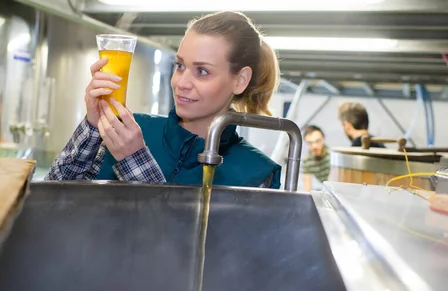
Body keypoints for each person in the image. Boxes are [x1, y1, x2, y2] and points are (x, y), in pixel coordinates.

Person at [45, 11, 282, 188]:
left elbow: (190, 248)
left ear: (240, 80)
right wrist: (92, 126)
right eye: (180, 66)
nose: (181, 83)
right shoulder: (130, 131)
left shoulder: (257, 172)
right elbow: (53, 198)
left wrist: (134, 160)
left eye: (202, 71)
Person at [301, 125, 330, 191]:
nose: (314, 146)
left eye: (318, 141)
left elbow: (331, 185)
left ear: (324, 140)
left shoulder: (332, 157)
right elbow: (307, 190)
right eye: (310, 143)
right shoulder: (307, 161)